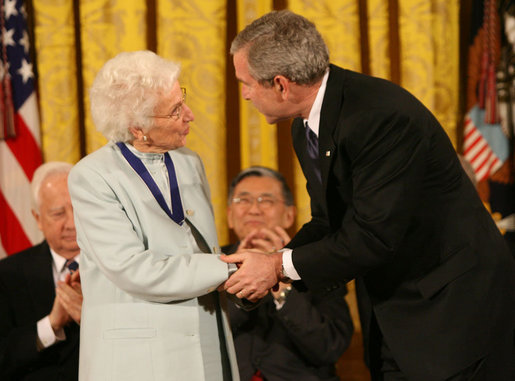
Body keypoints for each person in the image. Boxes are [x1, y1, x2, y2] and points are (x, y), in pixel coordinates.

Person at [221, 10, 515, 381]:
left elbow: (374, 235)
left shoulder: (379, 116)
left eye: (246, 83)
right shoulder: (307, 124)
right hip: (398, 308)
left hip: (453, 311)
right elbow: (331, 221)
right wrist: (271, 262)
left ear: (281, 84)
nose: (244, 95)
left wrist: (278, 266)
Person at [68, 50, 240, 381]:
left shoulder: (190, 161)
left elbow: (199, 249)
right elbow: (133, 269)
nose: (189, 115)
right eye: (175, 111)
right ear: (137, 127)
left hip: (206, 339)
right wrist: (231, 268)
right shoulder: (92, 176)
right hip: (140, 358)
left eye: (183, 99)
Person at [224, 166, 353, 381]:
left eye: (266, 200)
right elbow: (196, 337)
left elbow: (330, 346)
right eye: (243, 200)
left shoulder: (319, 260)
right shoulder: (212, 262)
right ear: (229, 215)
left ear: (289, 215)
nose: (254, 210)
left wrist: (280, 281)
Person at [0, 161, 82, 380]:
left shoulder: (123, 263)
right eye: (58, 214)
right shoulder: (7, 275)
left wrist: (93, 318)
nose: (72, 223)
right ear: (37, 219)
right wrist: (50, 325)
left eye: (78, 208)